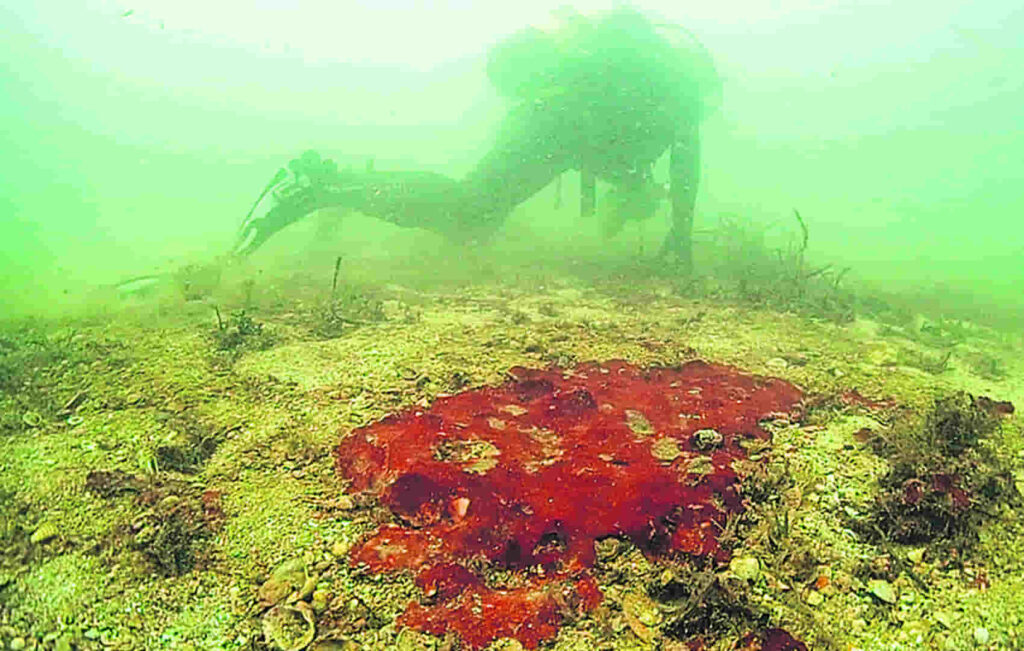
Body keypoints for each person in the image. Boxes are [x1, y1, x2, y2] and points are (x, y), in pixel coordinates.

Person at [233, 6, 720, 271]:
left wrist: (647, 203)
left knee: (475, 218)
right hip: (557, 122)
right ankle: (320, 185)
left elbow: (627, 166)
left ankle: (344, 183)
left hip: (554, 120)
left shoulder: (648, 88)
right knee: (471, 214)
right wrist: (679, 234)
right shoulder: (673, 97)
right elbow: (684, 161)